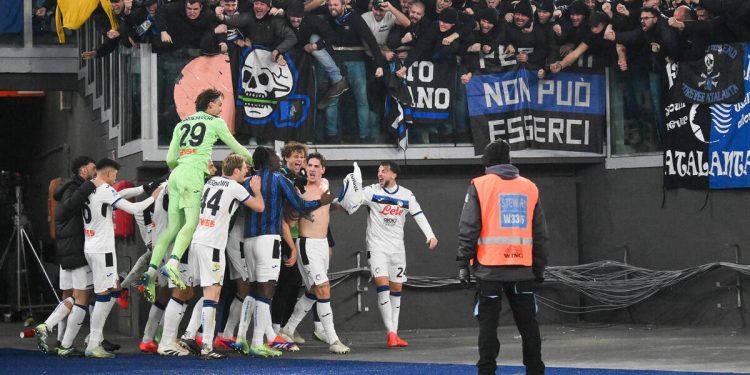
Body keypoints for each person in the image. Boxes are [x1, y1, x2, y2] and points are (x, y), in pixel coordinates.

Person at [142, 88, 252, 303]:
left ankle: (151, 271)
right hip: (192, 176)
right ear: (210, 105)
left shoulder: (181, 124)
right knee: (191, 224)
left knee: (172, 228)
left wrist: (185, 162)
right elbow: (238, 149)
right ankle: (173, 264)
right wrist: (252, 161)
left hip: (176, 176)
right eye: (219, 104)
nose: (221, 108)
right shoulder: (216, 122)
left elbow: (170, 160)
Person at [456, 139, 549, 375]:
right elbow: (540, 233)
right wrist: (539, 267)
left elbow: (469, 227)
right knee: (529, 325)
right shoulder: (530, 187)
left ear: (488, 162)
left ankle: (487, 370)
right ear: (508, 160)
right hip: (522, 270)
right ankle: (535, 370)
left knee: (488, 325)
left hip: (490, 269)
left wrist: (463, 263)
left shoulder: (479, 185)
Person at [235, 146, 333, 357]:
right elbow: (299, 204)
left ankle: (241, 337)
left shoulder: (247, 180)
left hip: (247, 240)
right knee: (267, 292)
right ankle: (257, 342)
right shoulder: (278, 179)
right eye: (275, 157)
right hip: (268, 239)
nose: (278, 161)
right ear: (268, 161)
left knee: (253, 290)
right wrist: (321, 202)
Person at [189, 154, 265, 359]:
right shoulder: (234, 187)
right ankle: (206, 345)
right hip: (212, 244)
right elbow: (259, 207)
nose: (247, 171)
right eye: (244, 168)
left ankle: (190, 334)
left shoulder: (211, 181)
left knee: (207, 292)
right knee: (213, 294)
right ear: (236, 171)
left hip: (198, 240)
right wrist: (257, 191)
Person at [84, 158, 161, 358]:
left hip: (91, 246)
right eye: (115, 176)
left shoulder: (89, 188)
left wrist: (146, 187)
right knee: (104, 295)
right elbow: (134, 208)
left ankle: (94, 338)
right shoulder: (105, 190)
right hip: (103, 249)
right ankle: (93, 342)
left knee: (112, 291)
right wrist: (153, 197)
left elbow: (122, 194)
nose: (116, 179)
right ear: (108, 174)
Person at [278, 152, 351, 354]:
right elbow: (288, 222)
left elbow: (326, 211)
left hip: (321, 244)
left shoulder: (325, 186)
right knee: (323, 289)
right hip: (307, 245)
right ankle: (334, 340)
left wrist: (344, 205)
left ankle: (288, 329)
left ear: (322, 170)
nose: (311, 169)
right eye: (309, 165)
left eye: (316, 166)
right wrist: (292, 248)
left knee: (312, 291)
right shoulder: (299, 191)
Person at [360, 161, 438, 347]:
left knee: (396, 289)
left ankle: (394, 332)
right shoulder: (371, 191)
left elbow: (418, 214)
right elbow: (353, 199)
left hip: (397, 249)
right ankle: (391, 333)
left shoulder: (406, 194)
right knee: (382, 286)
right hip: (377, 247)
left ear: (393, 175)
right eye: (378, 171)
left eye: (384, 171)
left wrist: (430, 235)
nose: (380, 174)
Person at [35, 157, 98, 357]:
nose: (95, 172)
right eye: (92, 168)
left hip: (65, 251)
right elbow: (72, 205)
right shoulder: (74, 189)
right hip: (75, 251)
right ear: (82, 170)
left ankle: (61, 340)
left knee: (66, 296)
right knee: (81, 298)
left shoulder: (64, 189)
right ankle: (51, 330)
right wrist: (91, 185)